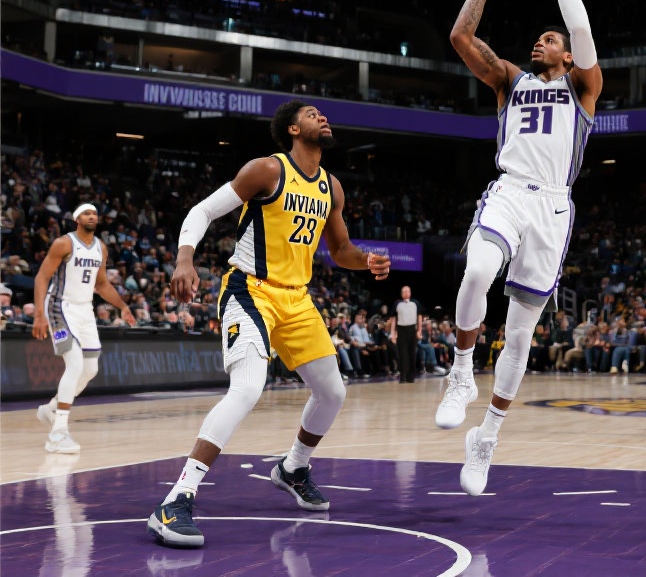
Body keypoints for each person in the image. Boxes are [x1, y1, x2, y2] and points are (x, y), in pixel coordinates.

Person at [146, 100, 391, 549]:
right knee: (247, 388)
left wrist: (366, 260)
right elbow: (202, 211)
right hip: (251, 290)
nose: (322, 117)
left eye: (322, 113)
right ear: (293, 129)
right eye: (312, 113)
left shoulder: (331, 187)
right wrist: (184, 259)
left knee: (333, 392)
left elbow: (340, 251)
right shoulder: (267, 170)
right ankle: (176, 499)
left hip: (297, 299)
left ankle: (293, 467)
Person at [433, 0, 603, 496]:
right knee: (477, 270)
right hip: (510, 189)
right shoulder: (510, 80)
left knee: (522, 332)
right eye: (539, 38)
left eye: (550, 40)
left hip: (553, 209)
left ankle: (487, 437)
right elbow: (460, 36)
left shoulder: (582, 88)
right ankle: (460, 373)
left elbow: (582, 31)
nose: (540, 43)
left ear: (567, 55)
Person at [32, 203, 137, 453]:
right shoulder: (64, 243)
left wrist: (123, 306)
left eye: (94, 214)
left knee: (90, 369)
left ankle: (52, 408)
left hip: (84, 310)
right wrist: (39, 313)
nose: (92, 216)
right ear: (77, 219)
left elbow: (101, 284)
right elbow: (42, 277)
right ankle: (57, 434)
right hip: (59, 307)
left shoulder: (101, 247)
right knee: (75, 364)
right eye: (87, 213)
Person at [390, 285, 423, 383]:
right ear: (401, 293)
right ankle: (402, 376)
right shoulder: (397, 304)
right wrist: (393, 333)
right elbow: (393, 319)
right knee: (402, 353)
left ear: (410, 292)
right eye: (404, 291)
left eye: (407, 291)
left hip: (412, 329)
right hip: (401, 330)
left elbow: (419, 318)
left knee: (412, 353)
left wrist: (419, 331)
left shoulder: (415, 303)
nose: (406, 293)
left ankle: (411, 377)